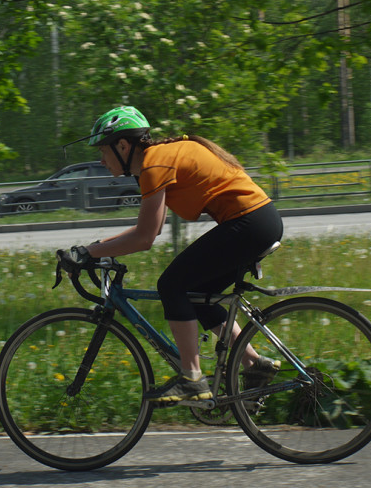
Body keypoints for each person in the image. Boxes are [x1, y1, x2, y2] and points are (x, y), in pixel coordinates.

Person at [60, 105, 284, 403]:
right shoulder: (159, 160)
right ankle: (255, 364)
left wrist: (91, 251)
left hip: (249, 223)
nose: (101, 161)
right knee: (196, 295)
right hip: (257, 222)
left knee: (172, 285)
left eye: (103, 151)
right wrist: (94, 249)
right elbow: (150, 228)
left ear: (123, 145)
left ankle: (192, 378)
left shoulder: (155, 164)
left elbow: (145, 237)